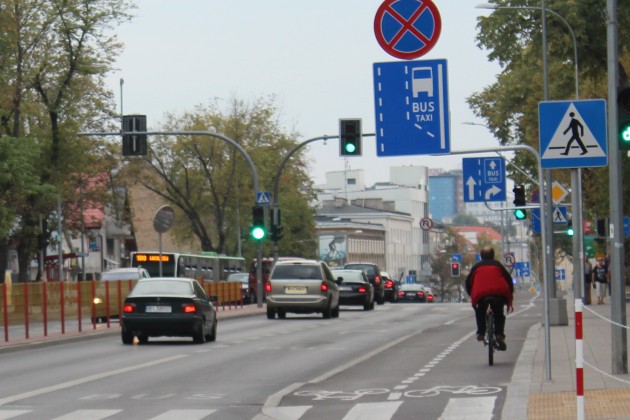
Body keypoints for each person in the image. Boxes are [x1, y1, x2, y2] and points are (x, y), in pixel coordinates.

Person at [465, 246, 514, 351]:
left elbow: (468, 282)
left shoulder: (476, 267)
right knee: (499, 313)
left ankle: (481, 333)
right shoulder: (498, 265)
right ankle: (499, 334)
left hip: (481, 294)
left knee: (480, 311)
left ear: (481, 256)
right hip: (498, 293)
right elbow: (508, 280)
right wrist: (510, 294)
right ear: (493, 255)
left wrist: (472, 294)